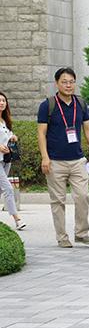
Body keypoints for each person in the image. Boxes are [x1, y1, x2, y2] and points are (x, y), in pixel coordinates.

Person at [36, 67, 89, 248]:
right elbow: (41, 134)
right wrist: (44, 157)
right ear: (56, 83)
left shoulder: (81, 103)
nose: (68, 85)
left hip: (78, 160)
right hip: (55, 161)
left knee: (82, 196)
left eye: (71, 81)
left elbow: (87, 128)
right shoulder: (47, 105)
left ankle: (81, 233)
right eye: (64, 82)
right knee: (58, 201)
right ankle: (62, 237)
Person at [0, 92, 25, 230]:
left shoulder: (5, 121)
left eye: (3, 100)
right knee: (8, 188)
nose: (2, 103)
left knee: (0, 190)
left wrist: (12, 137)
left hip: (6, 159)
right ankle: (17, 220)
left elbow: (7, 136)